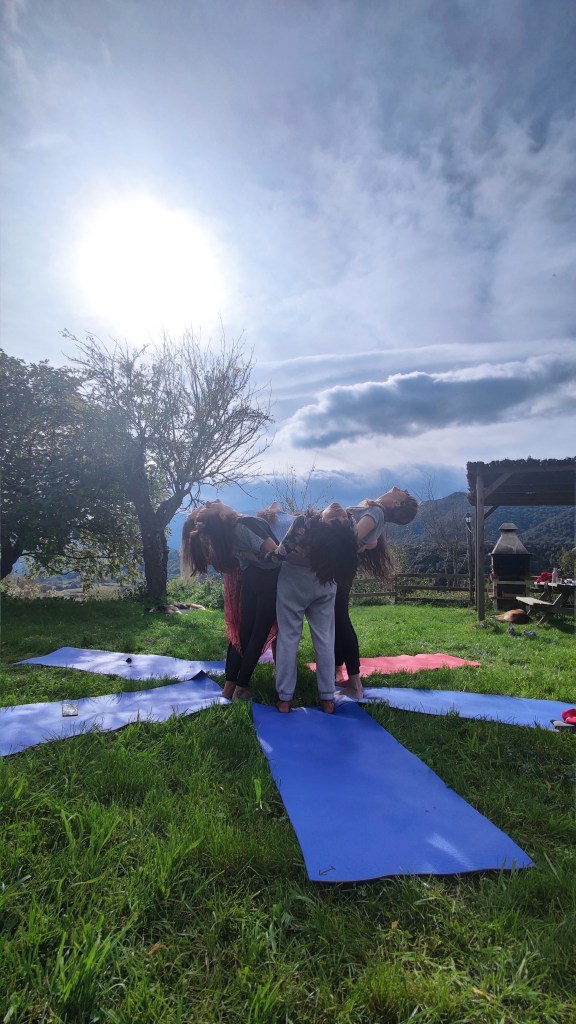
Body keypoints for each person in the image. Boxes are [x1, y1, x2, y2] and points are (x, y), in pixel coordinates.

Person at [181, 500, 280, 700]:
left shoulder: (225, 535)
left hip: (250, 579)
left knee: (243, 632)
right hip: (267, 581)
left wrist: (252, 555)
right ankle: (241, 688)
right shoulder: (246, 523)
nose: (211, 501)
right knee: (258, 634)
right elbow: (274, 554)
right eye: (211, 507)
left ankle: (229, 686)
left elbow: (249, 557)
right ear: (221, 516)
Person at [331, 488, 419, 699]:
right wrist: (365, 544)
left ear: (397, 503)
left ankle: (355, 685)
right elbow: (371, 541)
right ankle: (337, 671)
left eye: (404, 494)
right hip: (344, 566)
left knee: (340, 620)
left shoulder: (376, 512)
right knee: (337, 619)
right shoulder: (377, 513)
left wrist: (358, 544)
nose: (402, 490)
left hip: (339, 567)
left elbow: (351, 538)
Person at [269, 507, 358, 714]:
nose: (339, 513)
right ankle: (327, 698)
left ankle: (285, 699)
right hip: (324, 582)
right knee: (325, 639)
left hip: (293, 582)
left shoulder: (304, 523)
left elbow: (279, 554)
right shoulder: (351, 527)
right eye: (341, 516)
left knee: (288, 638)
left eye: (336, 518)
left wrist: (261, 553)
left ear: (324, 522)